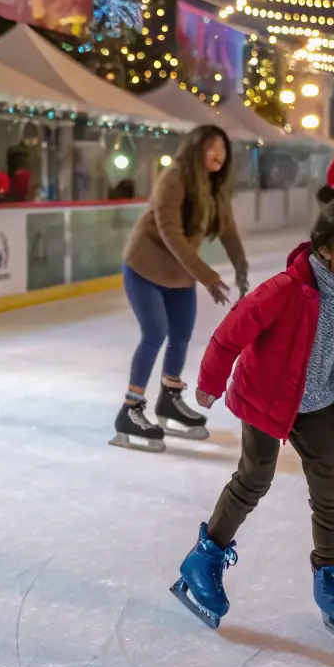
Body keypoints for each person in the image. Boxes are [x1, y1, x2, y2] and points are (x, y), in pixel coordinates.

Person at [170, 170, 334, 655]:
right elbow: (234, 330)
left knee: (332, 493)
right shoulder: (286, 289)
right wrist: (210, 381)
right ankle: (203, 559)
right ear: (324, 250)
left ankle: (331, 584)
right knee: (255, 478)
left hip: (318, 405)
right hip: (267, 398)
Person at [112, 125, 249, 452]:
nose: (219, 155)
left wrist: (241, 266)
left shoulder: (214, 185)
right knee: (155, 333)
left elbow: (227, 229)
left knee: (182, 334)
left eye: (223, 149)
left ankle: (169, 400)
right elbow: (170, 234)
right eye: (211, 147)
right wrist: (208, 277)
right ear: (195, 149)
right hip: (145, 266)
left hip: (180, 274)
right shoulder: (173, 179)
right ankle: (130, 410)